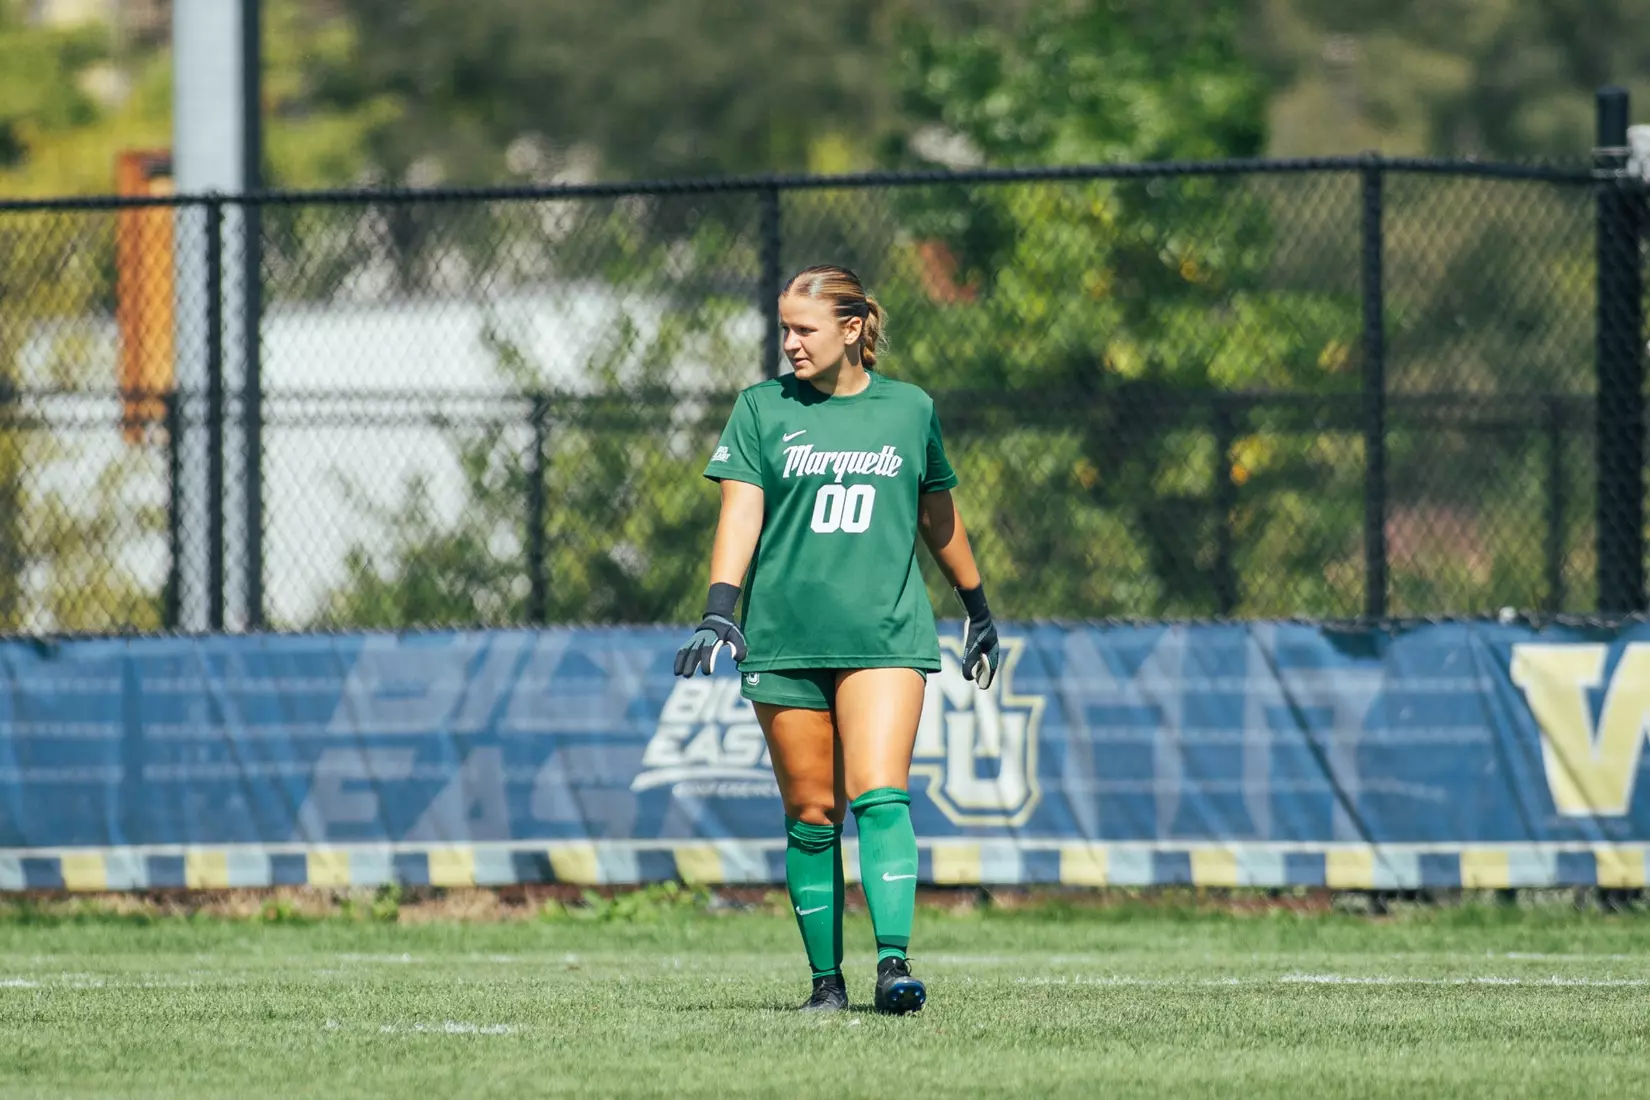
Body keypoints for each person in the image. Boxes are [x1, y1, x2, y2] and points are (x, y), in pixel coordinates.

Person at [673, 264, 1001, 1015]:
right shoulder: (760, 409)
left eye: (804, 329)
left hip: (885, 632)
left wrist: (977, 607)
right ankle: (826, 982)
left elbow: (937, 517)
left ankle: (893, 966)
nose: (789, 342)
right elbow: (741, 514)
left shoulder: (909, 409)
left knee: (881, 795)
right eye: (784, 328)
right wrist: (721, 607)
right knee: (812, 814)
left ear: (852, 330)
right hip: (784, 638)